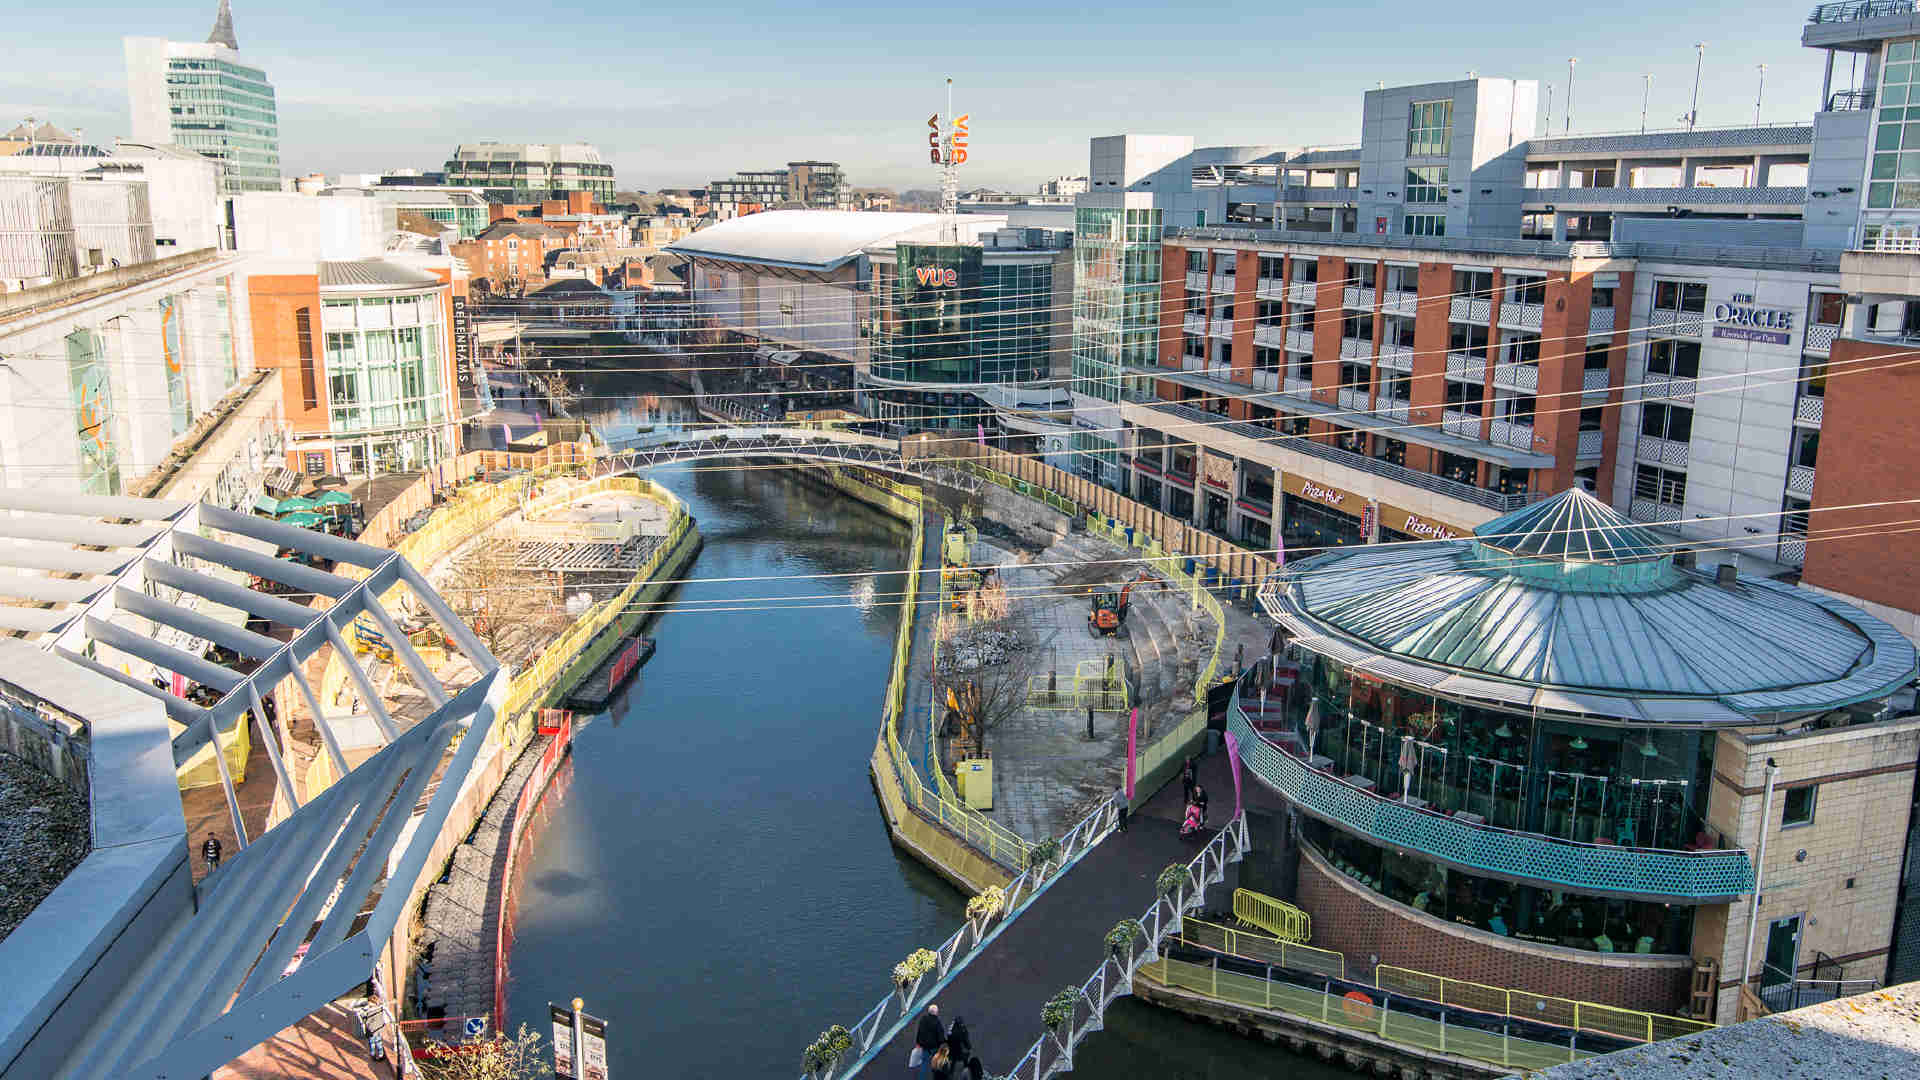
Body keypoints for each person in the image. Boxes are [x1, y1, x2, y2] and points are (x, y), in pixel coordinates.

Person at [910, 1005, 944, 1076]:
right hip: (934, 1046)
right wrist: (942, 1043)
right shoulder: (937, 1022)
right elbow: (940, 1035)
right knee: (936, 1062)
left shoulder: (923, 1019)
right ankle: (937, 1075)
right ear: (936, 1013)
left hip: (925, 1046)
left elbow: (919, 1031)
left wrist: (918, 1042)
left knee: (924, 1063)